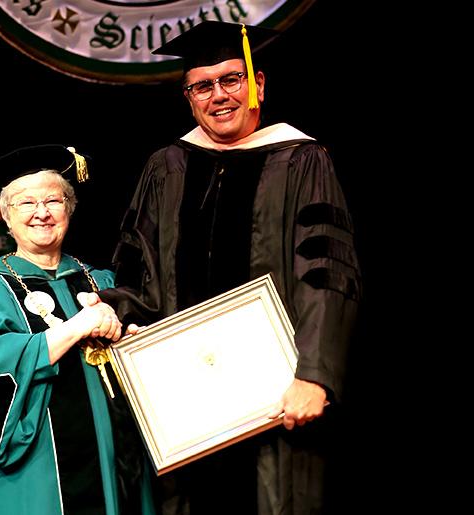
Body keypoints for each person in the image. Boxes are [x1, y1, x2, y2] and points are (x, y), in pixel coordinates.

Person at [98, 21, 361, 515]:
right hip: (184, 408)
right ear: (189, 97)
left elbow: (326, 274)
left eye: (231, 80)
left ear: (257, 85)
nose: (219, 96)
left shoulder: (302, 161)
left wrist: (315, 376)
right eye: (203, 86)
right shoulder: (166, 167)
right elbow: (137, 265)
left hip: (279, 400)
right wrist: (125, 317)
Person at [0, 144, 156, 515]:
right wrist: (73, 330)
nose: (42, 213)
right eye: (26, 204)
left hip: (122, 467)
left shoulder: (102, 281)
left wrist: (137, 346)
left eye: (54, 201)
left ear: (69, 209)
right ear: (7, 217)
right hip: (40, 474)